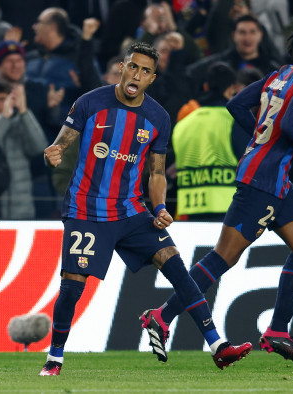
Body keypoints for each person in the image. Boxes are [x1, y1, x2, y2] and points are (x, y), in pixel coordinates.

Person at [39, 42, 252, 376]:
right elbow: (64, 139)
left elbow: (156, 172)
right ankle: (54, 358)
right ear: (122, 67)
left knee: (178, 268)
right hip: (87, 211)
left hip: (132, 212)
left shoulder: (158, 118)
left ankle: (218, 347)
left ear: (153, 77)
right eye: (133, 67)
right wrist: (55, 150)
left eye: (146, 70)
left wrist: (160, 207)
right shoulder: (90, 102)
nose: (137, 74)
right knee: (73, 286)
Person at [140, 22, 293, 364]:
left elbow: (236, 105)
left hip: (275, 180)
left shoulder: (281, 74)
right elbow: (292, 125)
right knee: (222, 258)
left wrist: (260, 136)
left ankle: (277, 330)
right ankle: (161, 316)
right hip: (263, 181)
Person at [173, 62, 250, 221]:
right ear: (231, 89)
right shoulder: (234, 120)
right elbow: (250, 163)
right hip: (227, 208)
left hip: (190, 208)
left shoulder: (183, 123)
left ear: (206, 87)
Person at [0, 80, 48, 219]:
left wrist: (24, 111)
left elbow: (40, 147)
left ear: (11, 100)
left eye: (2, 99)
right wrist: (4, 118)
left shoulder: (21, 122)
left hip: (21, 209)